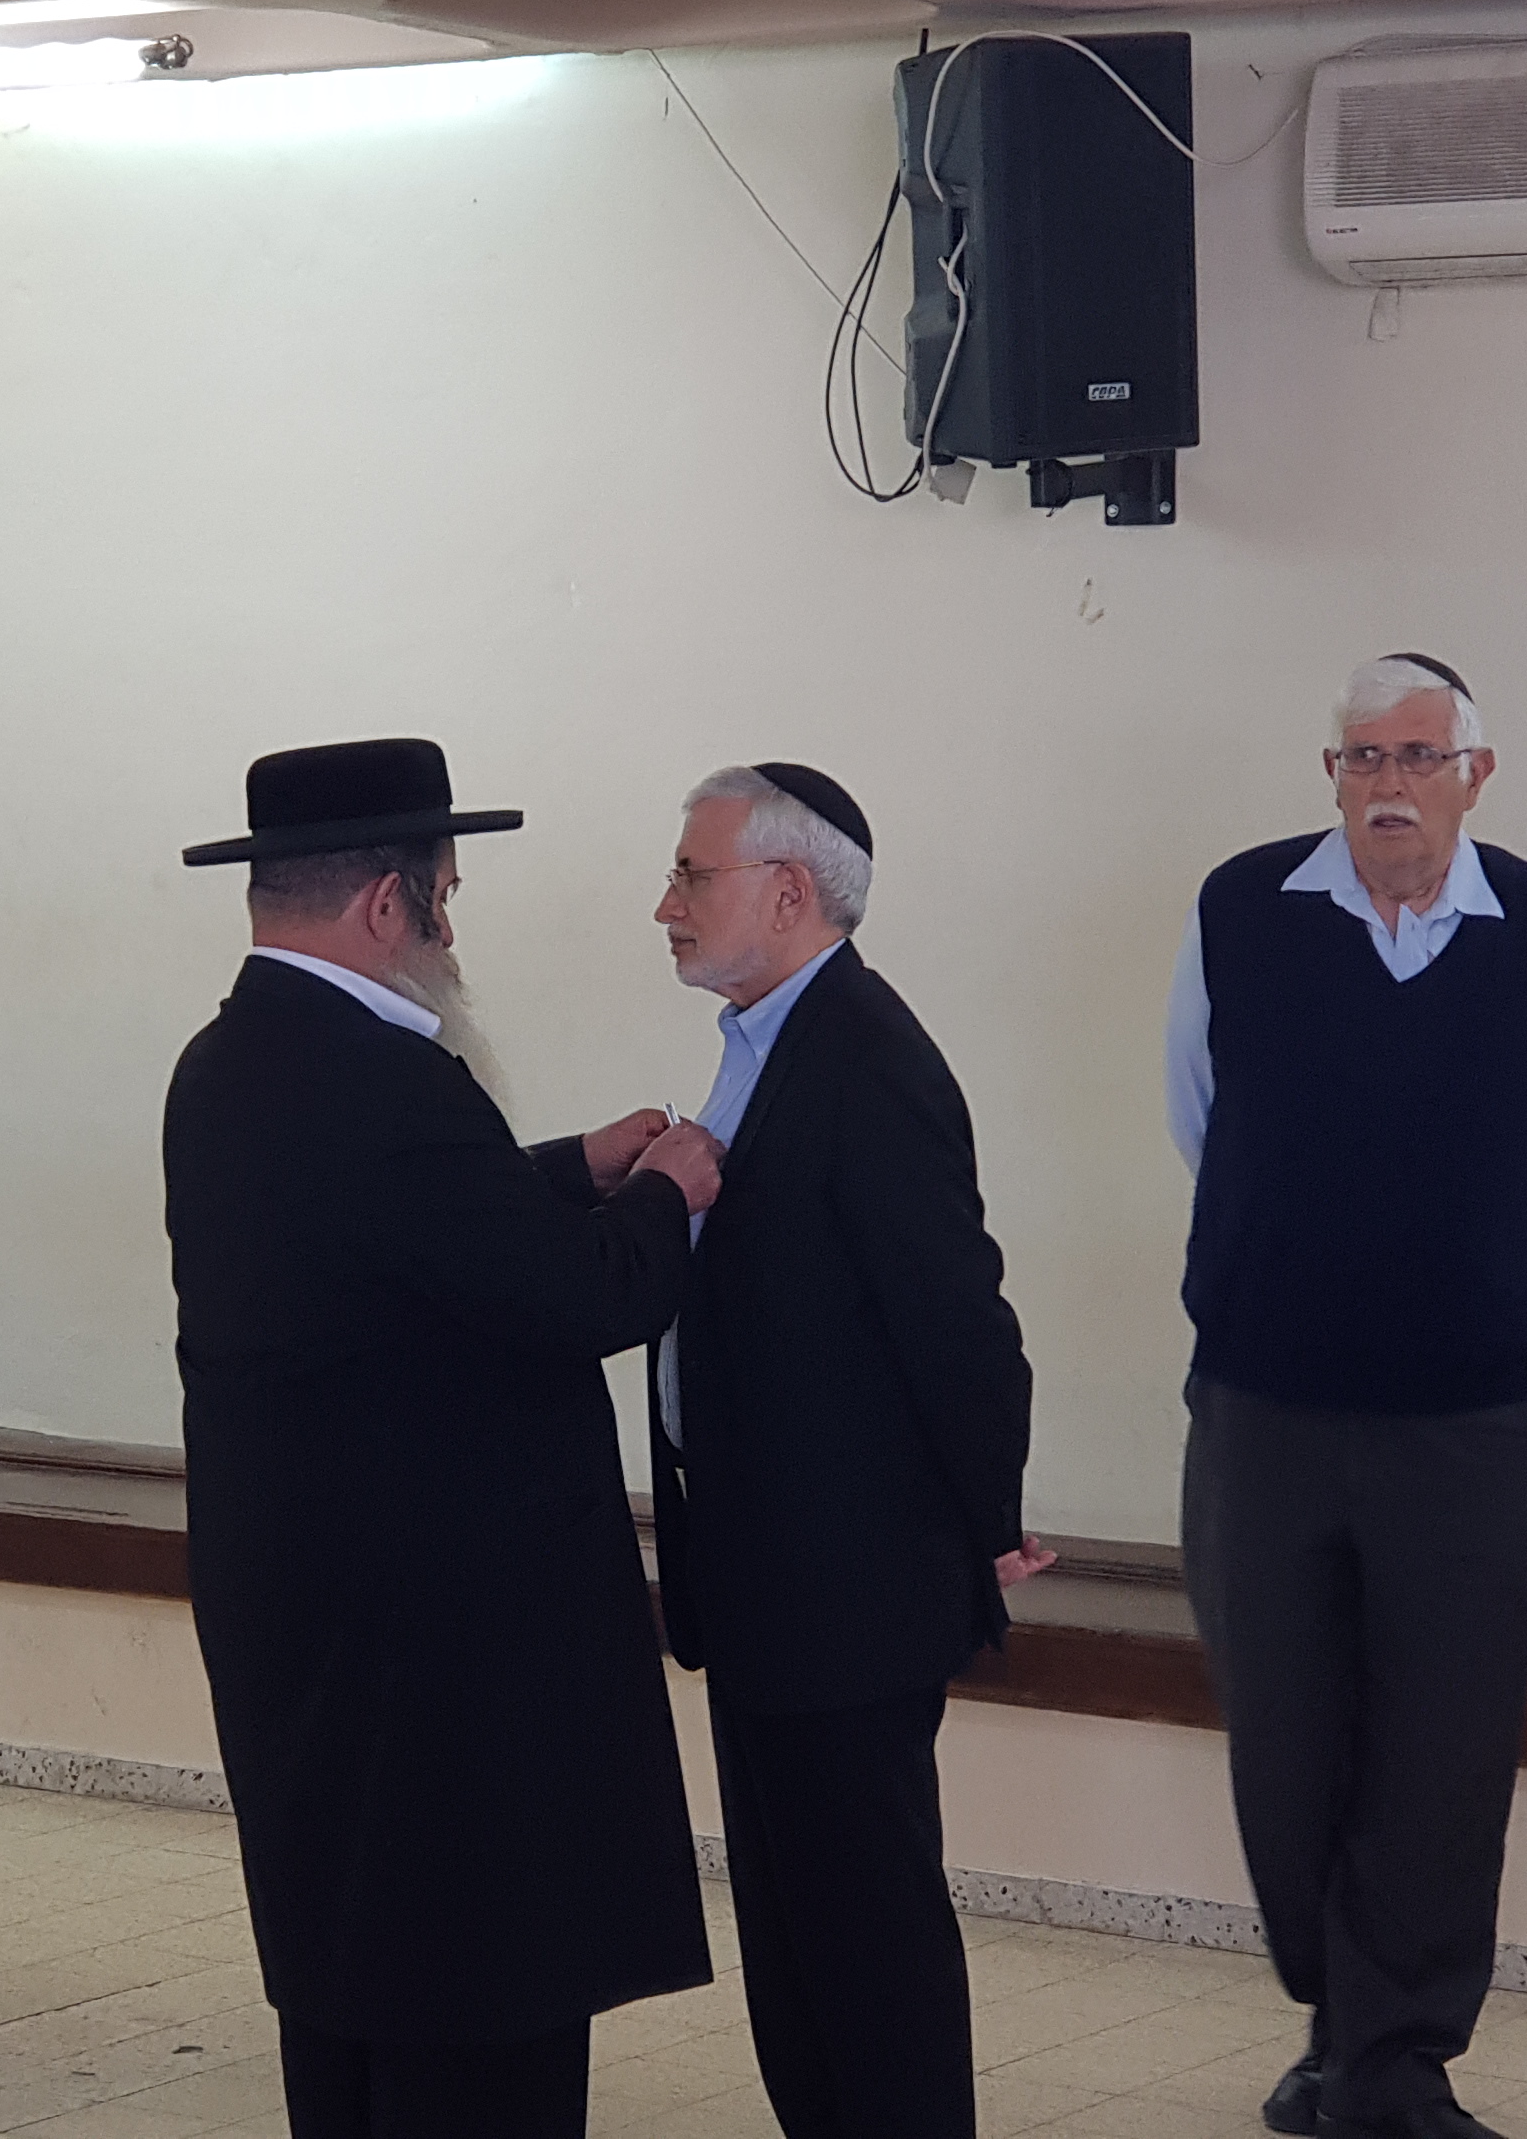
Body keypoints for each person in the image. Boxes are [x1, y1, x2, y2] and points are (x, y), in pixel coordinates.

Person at [162, 737, 729, 2139]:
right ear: (386, 906)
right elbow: (570, 1300)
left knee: (350, 1989)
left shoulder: (228, 1063)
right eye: (446, 898)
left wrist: (570, 1167)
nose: (451, 934)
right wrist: (666, 1192)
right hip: (442, 1670)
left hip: (311, 1623)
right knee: (474, 2018)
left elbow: (400, 1235)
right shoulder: (388, 1086)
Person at [1166, 655, 1527, 2139]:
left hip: (1467, 1420)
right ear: (1333, 776)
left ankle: (1393, 2062)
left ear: (1476, 775)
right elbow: (1202, 1117)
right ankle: (1343, 2026)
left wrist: (1448, 1270)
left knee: (1444, 1751)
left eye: (1420, 756)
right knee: (1285, 1746)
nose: (1389, 785)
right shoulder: (1242, 909)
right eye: (1362, 758)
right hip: (1265, 1406)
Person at [641, 763, 1043, 2139]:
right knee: (795, 1945)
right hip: (761, 1576)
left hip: (847, 1591)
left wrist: (987, 1519)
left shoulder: (868, 1061)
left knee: (868, 1946)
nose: (665, 906)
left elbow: (960, 1321)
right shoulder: (765, 1042)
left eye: (691, 877)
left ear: (788, 890)